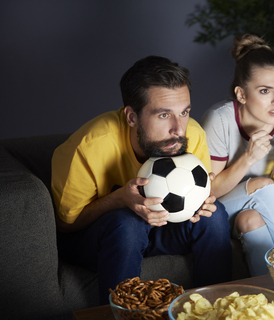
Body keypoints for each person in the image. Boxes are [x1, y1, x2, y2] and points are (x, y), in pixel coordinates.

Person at [51, 56, 232, 304]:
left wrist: (202, 203)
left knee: (216, 215)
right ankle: (121, 313)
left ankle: (217, 309)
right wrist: (119, 199)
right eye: (163, 115)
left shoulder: (192, 134)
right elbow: (66, 226)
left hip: (160, 229)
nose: (178, 128)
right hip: (100, 238)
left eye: (184, 112)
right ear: (132, 117)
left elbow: (198, 202)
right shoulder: (88, 147)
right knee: (128, 222)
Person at [200, 34, 274, 276]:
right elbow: (208, 192)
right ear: (242, 94)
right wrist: (248, 158)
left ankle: (270, 297)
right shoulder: (220, 118)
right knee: (262, 184)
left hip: (247, 206)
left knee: (250, 220)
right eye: (265, 90)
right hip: (210, 210)